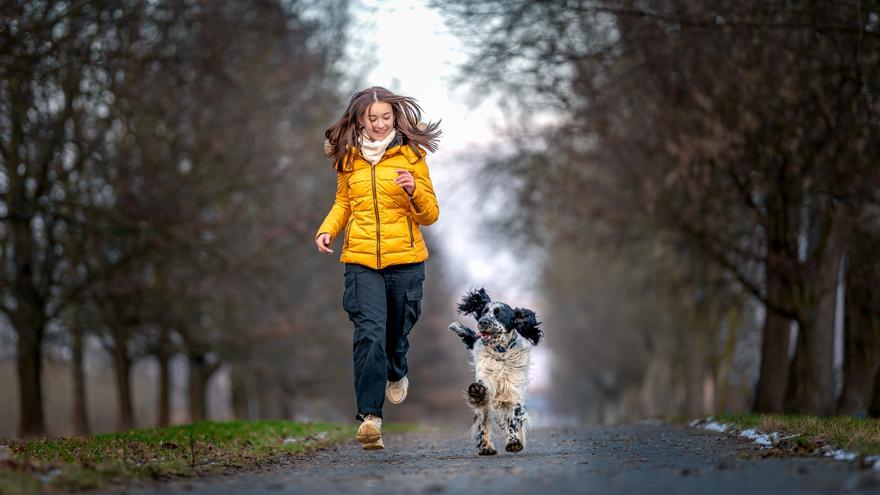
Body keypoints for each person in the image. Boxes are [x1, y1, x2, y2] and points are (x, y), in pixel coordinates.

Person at [314, 87, 441, 450]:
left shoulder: (412, 156)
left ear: (395, 117)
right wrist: (327, 229)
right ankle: (370, 417)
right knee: (369, 334)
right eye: (373, 119)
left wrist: (414, 189)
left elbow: (430, 214)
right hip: (361, 260)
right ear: (359, 120)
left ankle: (397, 366)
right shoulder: (346, 158)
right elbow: (343, 202)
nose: (380, 124)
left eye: (386, 117)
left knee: (396, 334)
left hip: (406, 262)